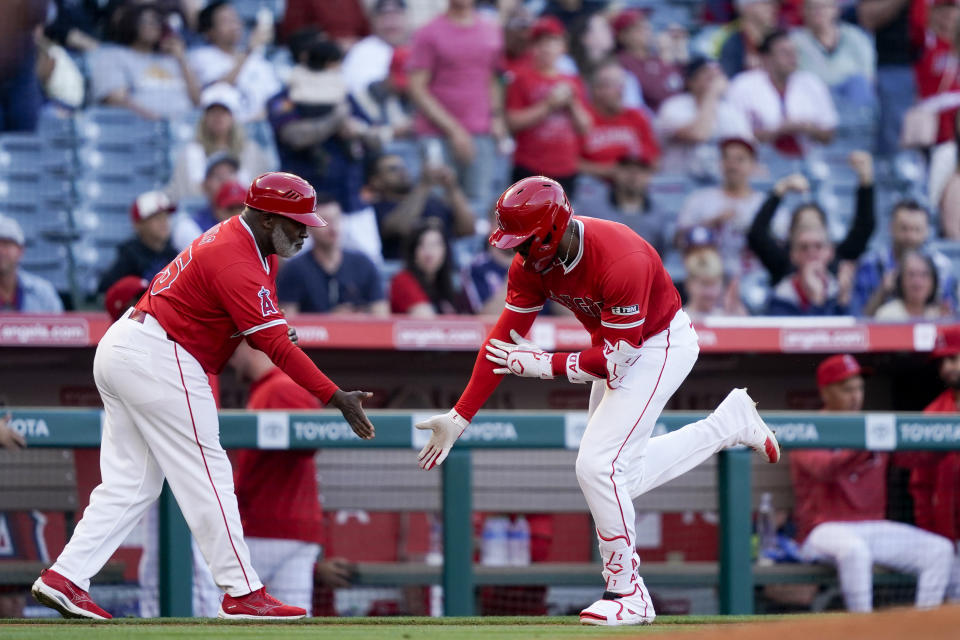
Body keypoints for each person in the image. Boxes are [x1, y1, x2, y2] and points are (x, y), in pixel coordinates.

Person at [413, 176, 781, 626]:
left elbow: (616, 362)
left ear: (552, 229)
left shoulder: (620, 256)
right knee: (619, 475)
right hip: (616, 349)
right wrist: (460, 415)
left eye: (524, 242)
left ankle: (628, 592)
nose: (517, 252)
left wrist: (543, 365)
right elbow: (502, 343)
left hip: (659, 344)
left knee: (597, 467)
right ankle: (729, 424)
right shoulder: (529, 267)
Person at [30, 172, 376, 620]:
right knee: (209, 471)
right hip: (162, 353)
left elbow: (259, 331)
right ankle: (242, 592)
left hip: (131, 347)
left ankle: (65, 577)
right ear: (270, 219)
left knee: (133, 483)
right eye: (297, 223)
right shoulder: (237, 257)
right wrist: (335, 396)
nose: (305, 232)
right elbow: (274, 348)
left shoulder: (253, 249)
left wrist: (274, 332)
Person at [790, 354, 954, 613]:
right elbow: (826, 470)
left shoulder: (873, 428)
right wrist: (867, 443)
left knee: (940, 551)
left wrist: (946, 436)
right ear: (826, 393)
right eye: (847, 389)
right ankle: (864, 629)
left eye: (859, 388)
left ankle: (924, 629)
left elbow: (916, 456)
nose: (856, 395)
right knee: (856, 552)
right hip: (822, 530)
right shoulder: (809, 427)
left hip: (873, 527)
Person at [229, 342, 355, 614]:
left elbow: (312, 439)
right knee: (290, 623)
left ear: (250, 347)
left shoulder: (280, 387)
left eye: (234, 350)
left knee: (213, 607)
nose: (230, 360)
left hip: (266, 531)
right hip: (292, 530)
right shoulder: (269, 388)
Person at [407, 0, 504, 216]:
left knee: (479, 205)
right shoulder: (428, 32)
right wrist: (455, 131)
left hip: (481, 132)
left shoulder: (491, 30)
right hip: (436, 134)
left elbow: (492, 77)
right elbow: (417, 88)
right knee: (436, 205)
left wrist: (496, 117)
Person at [268, 33, 370, 216]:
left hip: (350, 199)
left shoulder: (342, 94)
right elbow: (294, 136)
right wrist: (334, 121)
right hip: (302, 203)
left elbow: (374, 134)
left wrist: (358, 130)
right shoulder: (285, 98)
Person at [748, 151, 876, 286]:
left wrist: (865, 179)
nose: (811, 251)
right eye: (803, 228)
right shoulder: (782, 263)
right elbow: (757, 234)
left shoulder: (837, 258)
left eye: (815, 228)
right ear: (791, 235)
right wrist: (781, 189)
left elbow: (864, 227)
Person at [900, 326, 960, 602]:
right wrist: (930, 531)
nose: (947, 367)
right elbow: (920, 483)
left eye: (953, 358)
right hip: (950, 534)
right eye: (942, 362)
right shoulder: (933, 413)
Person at [505, 16, 591, 195]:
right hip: (530, 166)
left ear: (562, 47)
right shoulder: (521, 78)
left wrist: (572, 104)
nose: (546, 48)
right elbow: (512, 122)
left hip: (565, 167)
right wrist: (548, 106)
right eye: (540, 42)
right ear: (532, 48)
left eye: (552, 41)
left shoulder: (573, 81)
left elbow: (585, 127)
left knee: (564, 222)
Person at [726, 29, 837, 156]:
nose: (792, 57)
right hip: (760, 162)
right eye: (784, 52)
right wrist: (779, 130)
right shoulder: (742, 85)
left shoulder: (811, 83)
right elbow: (735, 139)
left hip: (809, 159)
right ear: (766, 58)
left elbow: (829, 135)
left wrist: (808, 128)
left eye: (794, 52)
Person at [276, 196, 388, 316]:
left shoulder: (364, 264)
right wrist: (331, 321)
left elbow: (382, 315)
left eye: (336, 219)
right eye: (324, 221)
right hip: (312, 334)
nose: (332, 227)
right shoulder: (294, 269)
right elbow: (288, 321)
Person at [89, 2, 200, 120]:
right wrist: (157, 121)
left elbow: (197, 100)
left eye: (157, 22)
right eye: (146, 21)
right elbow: (115, 99)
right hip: (138, 129)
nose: (154, 26)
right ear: (131, 23)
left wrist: (182, 59)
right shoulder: (112, 55)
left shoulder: (172, 59)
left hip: (183, 128)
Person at [167, 83, 273, 202]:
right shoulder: (191, 152)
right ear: (205, 118)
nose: (218, 117)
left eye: (224, 112)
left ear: (233, 117)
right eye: (212, 112)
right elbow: (186, 195)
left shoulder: (251, 151)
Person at [850, 199, 957, 315]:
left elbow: (951, 315)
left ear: (927, 231)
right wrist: (882, 292)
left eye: (917, 230)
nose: (910, 236)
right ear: (891, 228)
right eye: (904, 229)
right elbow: (858, 319)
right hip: (883, 329)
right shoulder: (870, 264)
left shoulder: (941, 267)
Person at [675, 137, 763, 278]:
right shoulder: (699, 199)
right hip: (708, 277)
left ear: (752, 165)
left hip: (754, 279)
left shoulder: (764, 204)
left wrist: (755, 231)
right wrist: (710, 224)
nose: (732, 165)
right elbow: (679, 241)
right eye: (726, 158)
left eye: (740, 159)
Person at [365, 153, 475, 261]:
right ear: (376, 181)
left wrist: (452, 187)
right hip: (403, 272)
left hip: (443, 272)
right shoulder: (374, 208)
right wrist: (424, 185)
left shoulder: (432, 201)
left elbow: (467, 229)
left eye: (403, 167)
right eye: (393, 169)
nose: (402, 171)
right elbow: (399, 228)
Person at [656, 58, 752, 176]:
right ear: (690, 81)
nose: (713, 78)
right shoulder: (673, 107)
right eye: (706, 73)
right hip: (680, 184)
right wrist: (712, 94)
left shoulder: (731, 111)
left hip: (720, 184)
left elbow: (747, 150)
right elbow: (699, 133)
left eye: (717, 74)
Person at [187, 1, 279, 123]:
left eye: (235, 19)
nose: (235, 25)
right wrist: (248, 51)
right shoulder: (199, 57)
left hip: (260, 126)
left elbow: (276, 97)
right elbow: (213, 93)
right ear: (209, 31)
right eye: (226, 21)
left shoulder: (257, 59)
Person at [857, 0, 922, 155]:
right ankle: (894, 172)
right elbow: (866, 18)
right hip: (895, 66)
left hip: (939, 59)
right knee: (896, 134)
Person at [579, 60, 660, 181]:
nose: (620, 91)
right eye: (613, 85)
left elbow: (655, 159)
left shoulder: (636, 116)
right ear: (596, 90)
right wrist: (607, 171)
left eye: (621, 85)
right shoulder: (581, 117)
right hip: (591, 187)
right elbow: (569, 162)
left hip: (633, 188)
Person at [790, 0, 876, 108]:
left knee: (858, 82)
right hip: (813, 98)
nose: (818, 12)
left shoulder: (856, 37)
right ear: (803, 11)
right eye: (812, 7)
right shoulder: (794, 41)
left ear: (836, 10)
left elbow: (869, 76)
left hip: (851, 98)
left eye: (824, 7)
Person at [97, 191, 180, 294]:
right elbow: (105, 290)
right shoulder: (129, 257)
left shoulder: (174, 255)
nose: (163, 222)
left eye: (166, 216)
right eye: (156, 218)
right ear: (139, 224)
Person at [588, 154, 669, 255]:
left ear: (649, 175)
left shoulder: (659, 211)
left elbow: (661, 252)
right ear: (615, 171)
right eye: (626, 168)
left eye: (641, 169)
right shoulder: (590, 208)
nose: (633, 174)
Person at [765, 222, 849, 315]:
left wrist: (843, 300)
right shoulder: (781, 297)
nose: (811, 252)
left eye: (818, 246)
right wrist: (817, 300)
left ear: (830, 252)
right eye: (804, 247)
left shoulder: (839, 290)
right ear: (793, 255)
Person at [342, 0, 409, 106]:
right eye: (384, 17)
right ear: (373, 21)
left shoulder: (417, 47)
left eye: (396, 16)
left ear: (407, 18)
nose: (391, 24)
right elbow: (360, 96)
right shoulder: (362, 51)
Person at [613, 9, 683, 112]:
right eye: (638, 28)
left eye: (646, 26)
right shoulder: (621, 61)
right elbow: (653, 92)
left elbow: (682, 84)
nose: (646, 31)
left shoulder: (657, 58)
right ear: (622, 36)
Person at [389, 221, 464, 316]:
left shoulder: (446, 283)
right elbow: (425, 319)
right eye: (422, 245)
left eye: (435, 245)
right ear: (413, 252)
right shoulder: (402, 280)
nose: (429, 253)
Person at [0, 214, 63, 312]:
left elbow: (59, 326)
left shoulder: (43, 293)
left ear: (21, 251)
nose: (1, 251)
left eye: (7, 244)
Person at [872, 250, 950, 320]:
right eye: (911, 275)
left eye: (924, 275)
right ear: (900, 280)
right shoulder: (886, 315)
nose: (917, 282)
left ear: (933, 281)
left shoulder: (940, 316)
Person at [682, 246, 748, 321]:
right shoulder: (679, 320)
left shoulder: (728, 318)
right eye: (704, 284)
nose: (710, 292)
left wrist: (739, 321)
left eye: (713, 284)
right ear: (689, 284)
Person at [719, 0, 778, 78]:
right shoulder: (732, 46)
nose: (774, 8)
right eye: (766, 3)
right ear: (746, 8)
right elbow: (730, 85)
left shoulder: (780, 42)